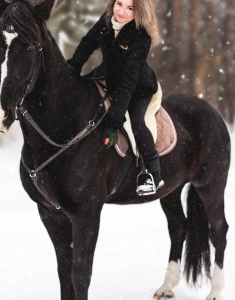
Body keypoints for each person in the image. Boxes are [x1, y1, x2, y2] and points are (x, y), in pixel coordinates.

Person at [67, 0, 164, 196]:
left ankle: (153, 174)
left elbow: (128, 81)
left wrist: (114, 118)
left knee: (137, 122)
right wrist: (73, 66)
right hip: (110, 78)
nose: (122, 11)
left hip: (138, 88)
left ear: (139, 11)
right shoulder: (106, 21)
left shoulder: (141, 35)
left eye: (130, 8)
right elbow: (88, 43)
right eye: (119, 4)